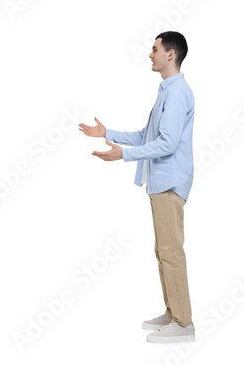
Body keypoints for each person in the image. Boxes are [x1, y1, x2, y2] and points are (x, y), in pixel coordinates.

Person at [79, 31, 195, 343]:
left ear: (170, 54)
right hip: (161, 181)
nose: (150, 54)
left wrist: (124, 155)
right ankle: (173, 312)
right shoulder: (166, 91)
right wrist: (108, 132)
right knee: (163, 250)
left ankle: (184, 324)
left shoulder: (177, 92)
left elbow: (167, 143)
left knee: (171, 251)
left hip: (170, 180)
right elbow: (149, 133)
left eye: (155, 49)